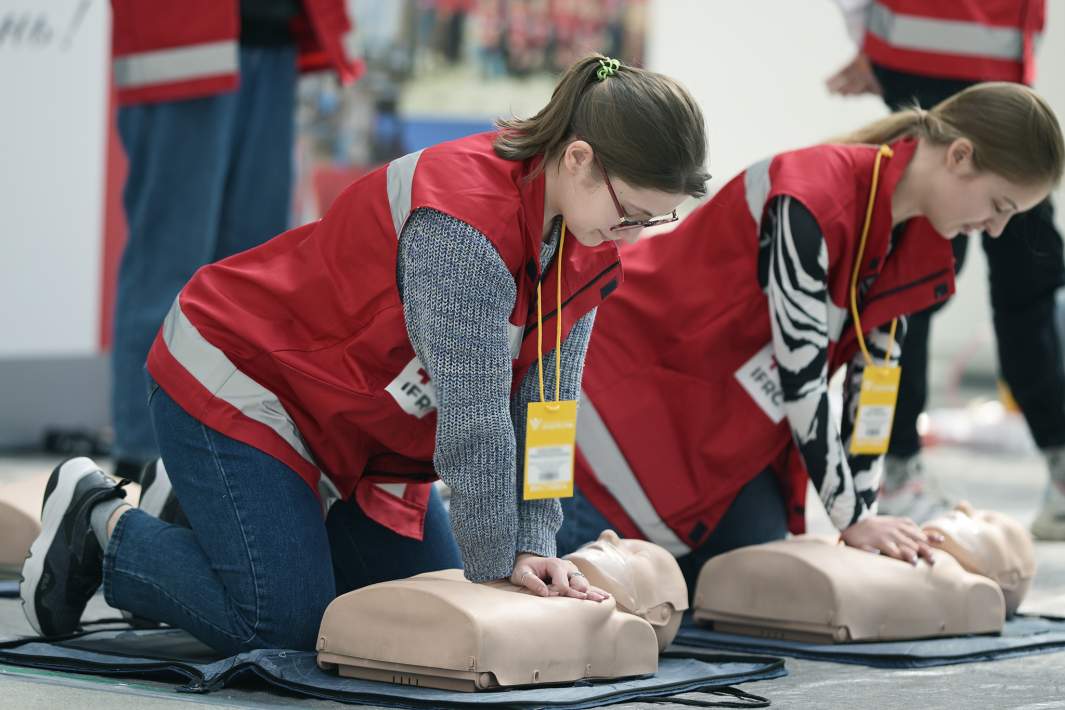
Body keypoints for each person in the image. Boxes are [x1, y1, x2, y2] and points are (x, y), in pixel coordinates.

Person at [22, 55, 710, 653]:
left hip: (356, 426)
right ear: (579, 157)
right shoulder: (465, 226)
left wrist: (535, 544)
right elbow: (475, 425)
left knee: (409, 611)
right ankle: (99, 524)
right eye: (631, 214)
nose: (632, 236)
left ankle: (207, 513)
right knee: (286, 624)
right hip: (245, 381)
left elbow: (549, 411)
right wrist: (501, 566)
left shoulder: (584, 250)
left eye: (655, 221)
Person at [558, 82, 1063, 590]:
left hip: (719, 420)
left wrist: (864, 517)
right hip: (624, 384)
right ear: (959, 156)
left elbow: (875, 386)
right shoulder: (810, 194)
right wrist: (852, 519)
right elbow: (803, 377)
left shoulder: (919, 242)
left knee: (751, 586)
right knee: (589, 598)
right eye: (999, 205)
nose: (996, 229)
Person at [826, 0, 1065, 539]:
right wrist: (870, 42)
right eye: (996, 213)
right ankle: (896, 467)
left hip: (1000, 79)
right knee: (910, 287)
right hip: (924, 71)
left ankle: (1057, 458)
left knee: (1030, 278)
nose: (994, 225)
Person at [109, 0, 362, 480]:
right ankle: (142, 463)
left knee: (254, 285)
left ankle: (234, 455)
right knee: (167, 264)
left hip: (272, 38)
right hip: (183, 38)